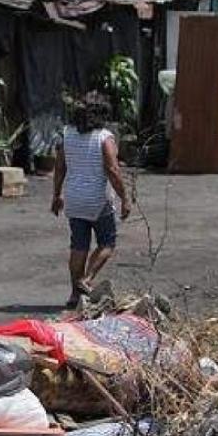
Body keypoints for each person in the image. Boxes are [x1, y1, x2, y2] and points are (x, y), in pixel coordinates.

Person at [51, 92, 131, 308]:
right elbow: (113, 170)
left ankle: (74, 296)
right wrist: (125, 197)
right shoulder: (104, 137)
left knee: (78, 246)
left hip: (74, 199)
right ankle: (86, 280)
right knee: (107, 242)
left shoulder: (66, 135)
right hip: (98, 200)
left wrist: (56, 195)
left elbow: (59, 168)